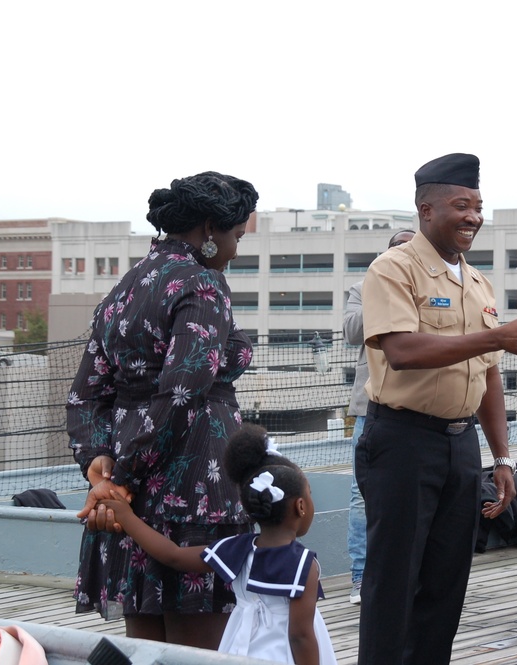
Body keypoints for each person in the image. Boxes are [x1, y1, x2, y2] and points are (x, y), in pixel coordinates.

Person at [355, 152, 517, 665]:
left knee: (447, 582)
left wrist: (503, 457)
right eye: (461, 205)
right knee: (393, 583)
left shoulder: (479, 282)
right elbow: (400, 351)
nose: (473, 216)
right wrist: (495, 336)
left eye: (479, 206)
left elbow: (488, 372)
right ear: (426, 210)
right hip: (402, 441)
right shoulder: (394, 269)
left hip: (460, 445)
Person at [66, 171, 259, 647]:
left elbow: (85, 394)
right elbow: (182, 392)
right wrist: (121, 480)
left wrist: (102, 472)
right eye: (236, 235)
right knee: (199, 648)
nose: (237, 247)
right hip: (195, 475)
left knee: (145, 644)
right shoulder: (203, 284)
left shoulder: (122, 290)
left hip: (133, 484)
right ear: (210, 229)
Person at [100, 423, 337, 665]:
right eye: (309, 493)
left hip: (240, 651)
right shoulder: (304, 565)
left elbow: (172, 555)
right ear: (300, 506)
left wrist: (127, 518)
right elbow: (300, 636)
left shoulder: (238, 550)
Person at [343, 228, 415, 605]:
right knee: (362, 493)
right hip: (370, 406)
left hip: (420, 407)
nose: (405, 255)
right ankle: (361, 578)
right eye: (397, 250)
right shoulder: (363, 286)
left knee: (413, 493)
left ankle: (406, 577)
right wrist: (382, 289)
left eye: (411, 248)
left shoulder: (432, 287)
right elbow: (352, 331)